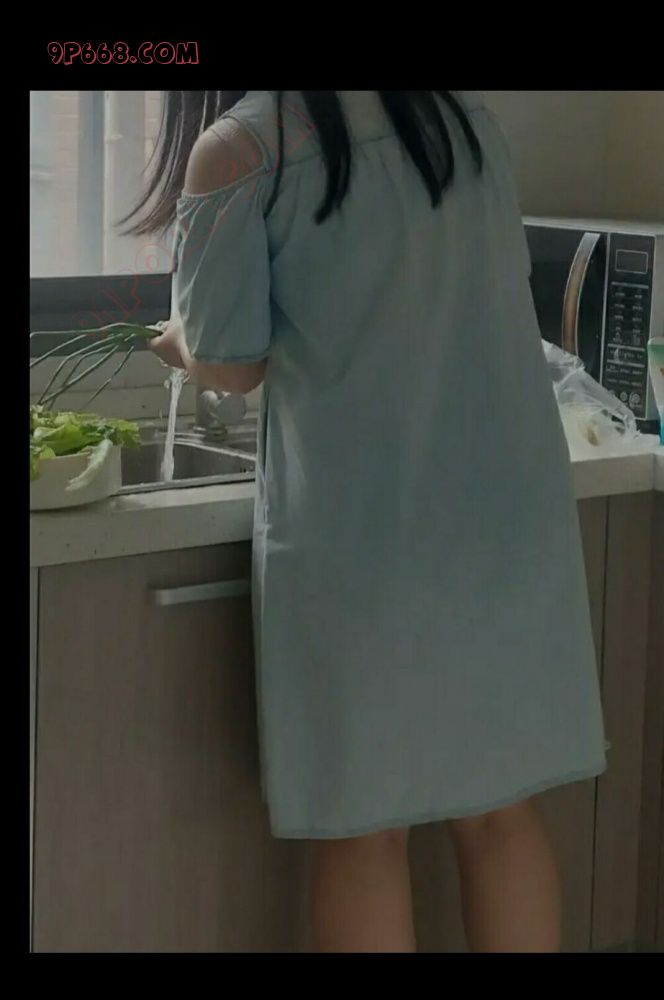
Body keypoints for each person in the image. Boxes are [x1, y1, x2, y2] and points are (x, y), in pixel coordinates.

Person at [127, 90, 608, 953]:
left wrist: (179, 340)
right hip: (508, 527)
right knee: (501, 815)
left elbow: (230, 366)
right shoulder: (458, 117)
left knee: (364, 831)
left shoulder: (242, 150)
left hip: (367, 540)